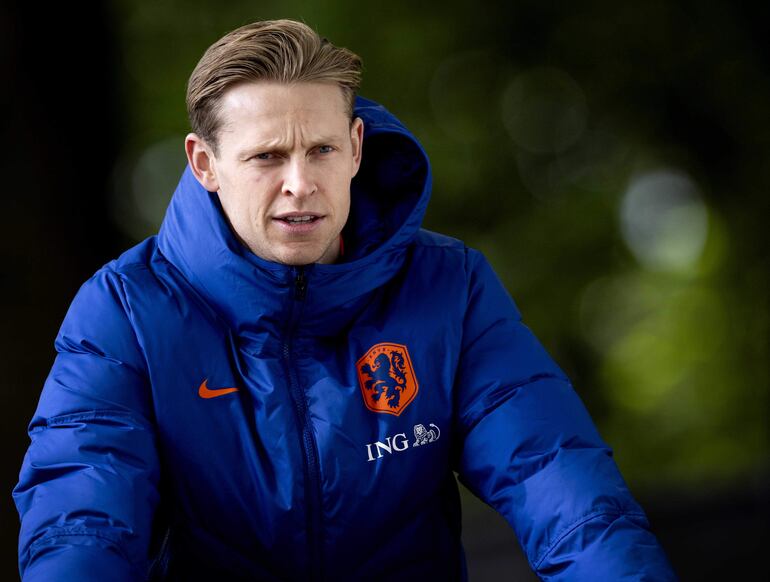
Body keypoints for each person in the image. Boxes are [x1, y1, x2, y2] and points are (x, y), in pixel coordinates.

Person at [13, 19, 676, 581]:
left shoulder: (450, 287)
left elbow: (557, 480)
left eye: (322, 149)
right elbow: (84, 521)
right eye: (267, 157)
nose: (301, 184)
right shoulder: (125, 311)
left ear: (356, 148)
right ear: (203, 163)